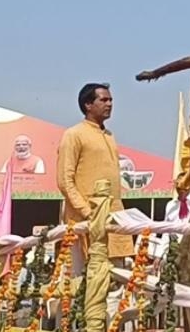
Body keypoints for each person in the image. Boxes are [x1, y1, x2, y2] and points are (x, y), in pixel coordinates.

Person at [56, 83, 135, 264]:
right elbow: (64, 181)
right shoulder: (73, 134)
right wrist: (87, 212)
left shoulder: (109, 135)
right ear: (88, 105)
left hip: (113, 217)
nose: (109, 104)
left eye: (111, 100)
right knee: (84, 279)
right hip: (86, 219)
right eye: (104, 100)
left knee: (116, 278)